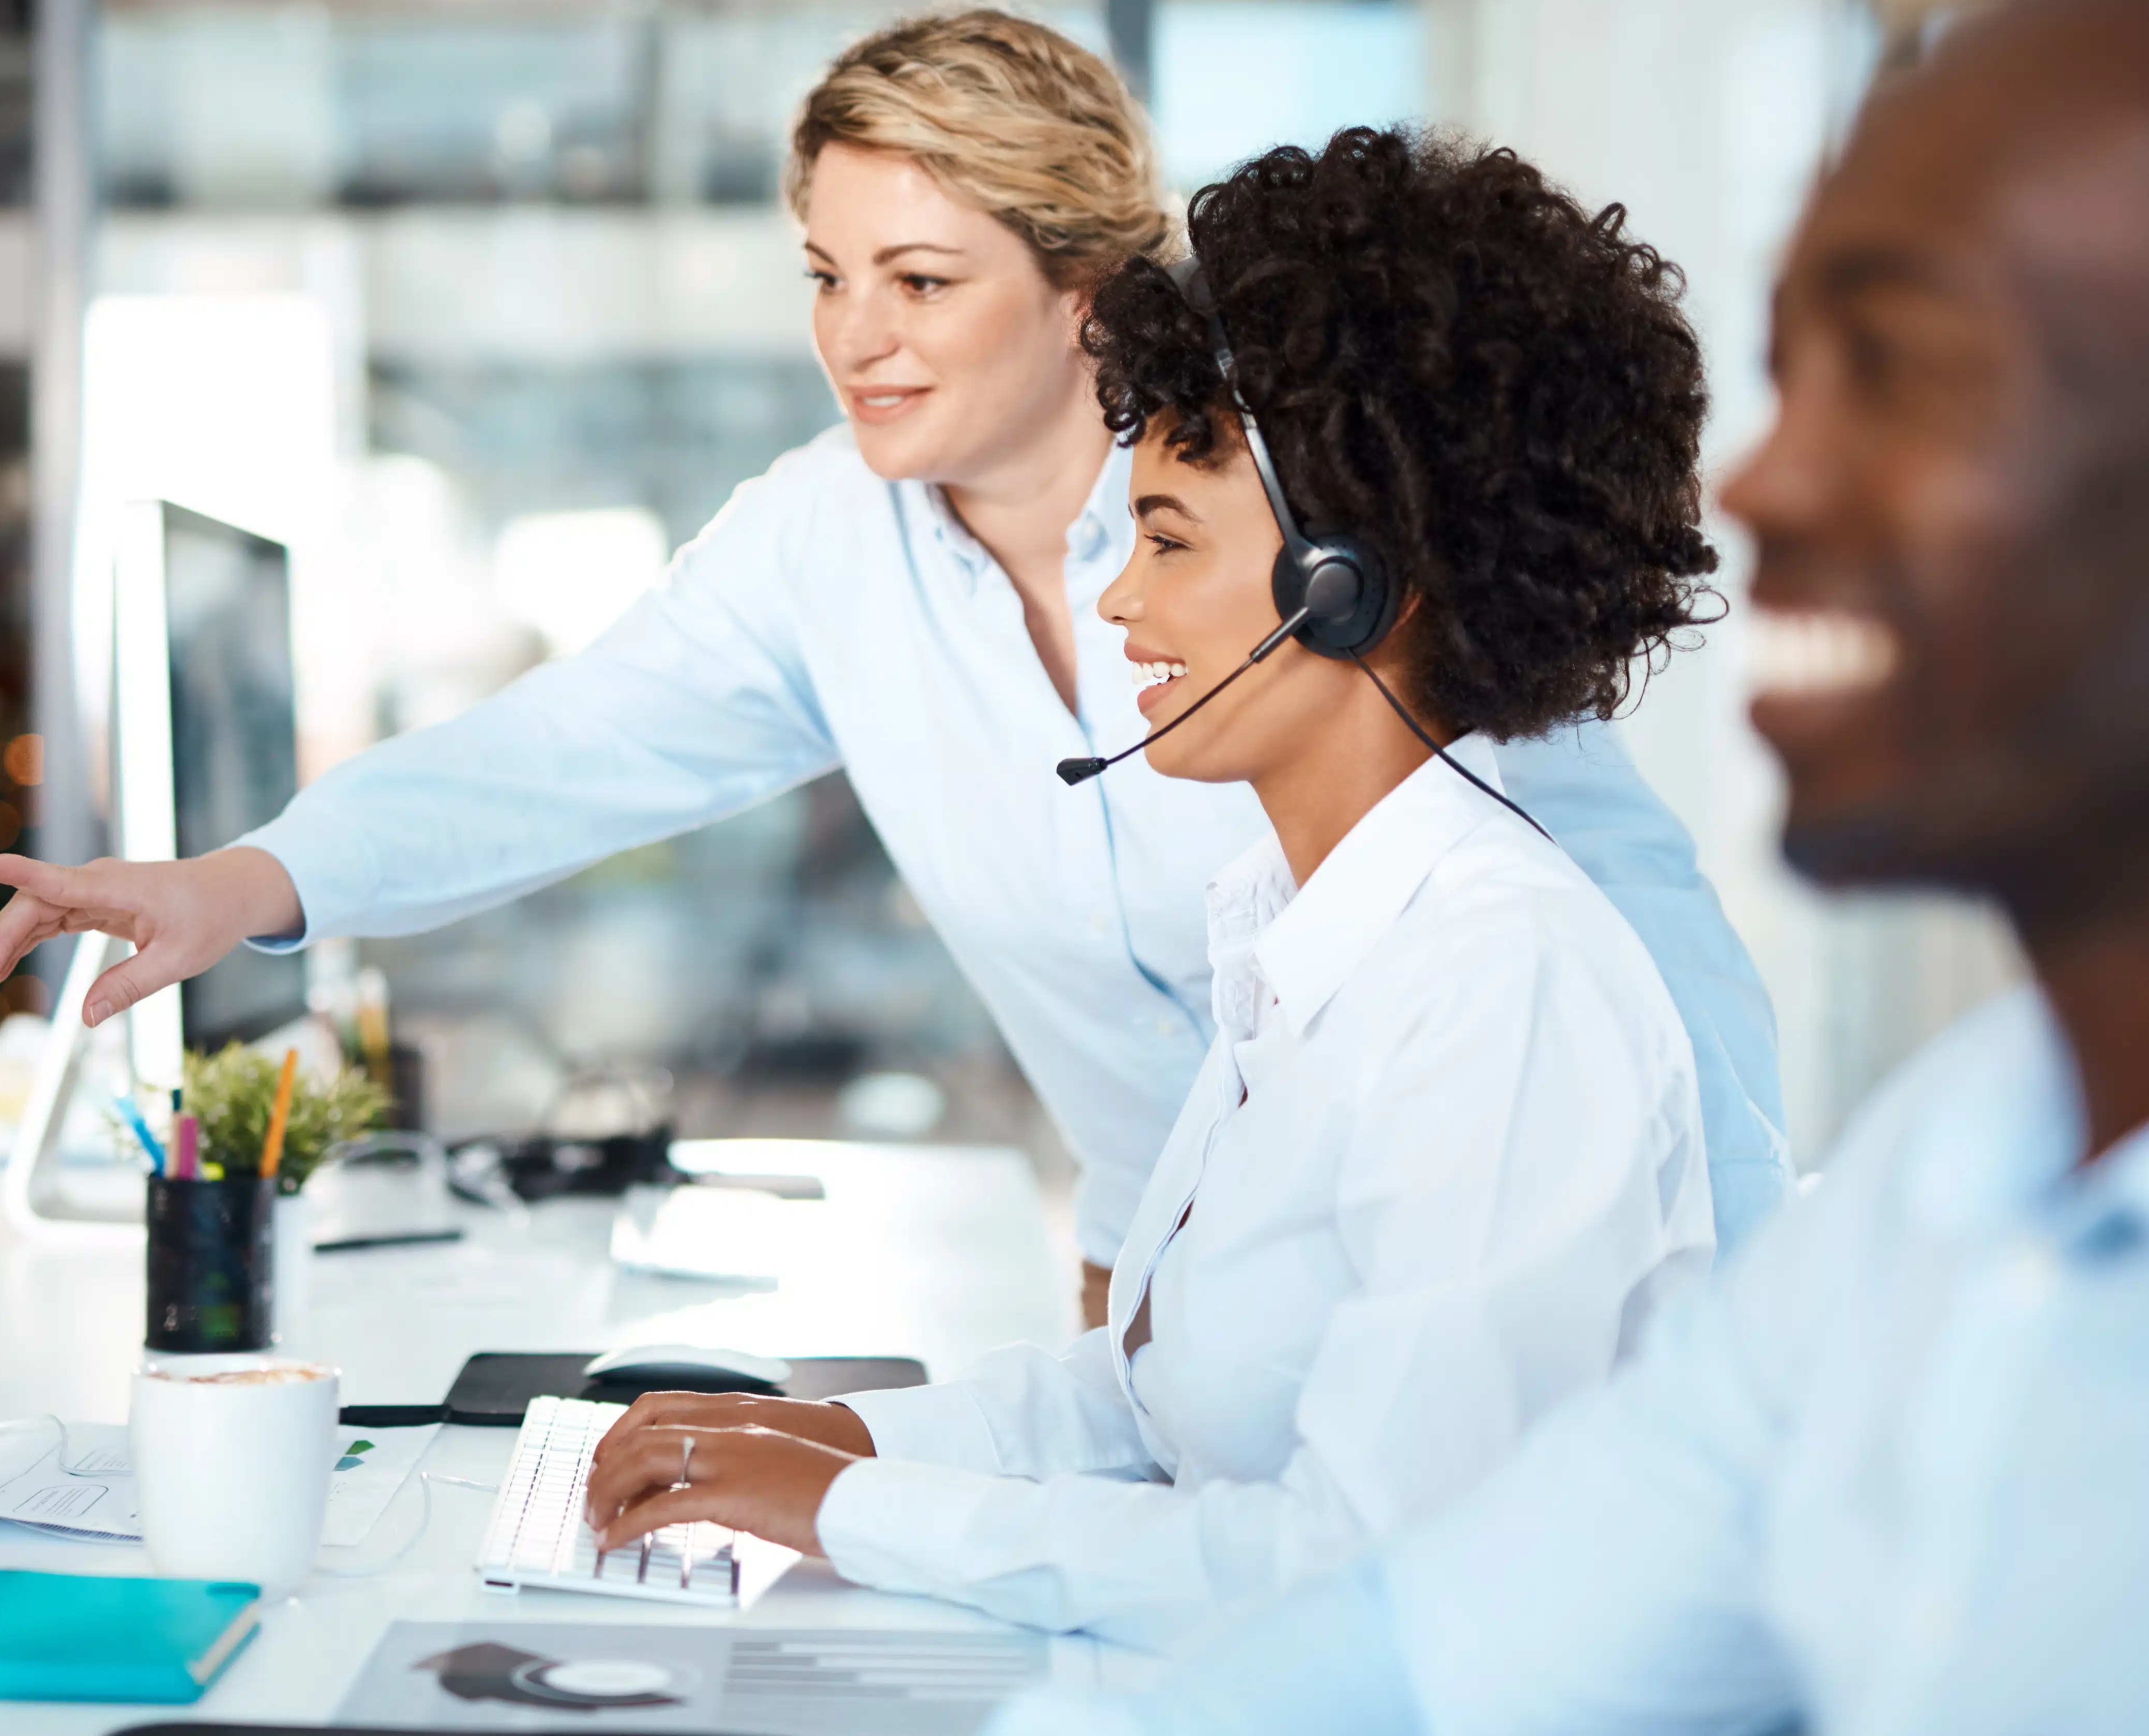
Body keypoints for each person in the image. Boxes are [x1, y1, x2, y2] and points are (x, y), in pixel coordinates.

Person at [0, 7, 1790, 1321]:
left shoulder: (1296, 501)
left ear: (1085, 291)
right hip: (1162, 1276)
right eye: (825, 276)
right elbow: (566, 750)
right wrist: (244, 884)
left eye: (920, 281)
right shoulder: (818, 541)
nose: (857, 338)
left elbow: (1606, 903)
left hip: (1487, 1253)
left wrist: (1736, 1298)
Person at [982, 0, 2149, 1736]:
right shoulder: (1953, 1176)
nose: (1759, 486)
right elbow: (1437, 1644)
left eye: (1906, 364)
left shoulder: (1505, 962)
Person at [571, 125, 1721, 1645]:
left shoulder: (1498, 988)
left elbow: (1368, 1573)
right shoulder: (1295, 927)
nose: (1117, 596)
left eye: (1168, 539)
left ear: (1351, 589)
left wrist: (854, 1514)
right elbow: (1153, 1398)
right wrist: (833, 1444)